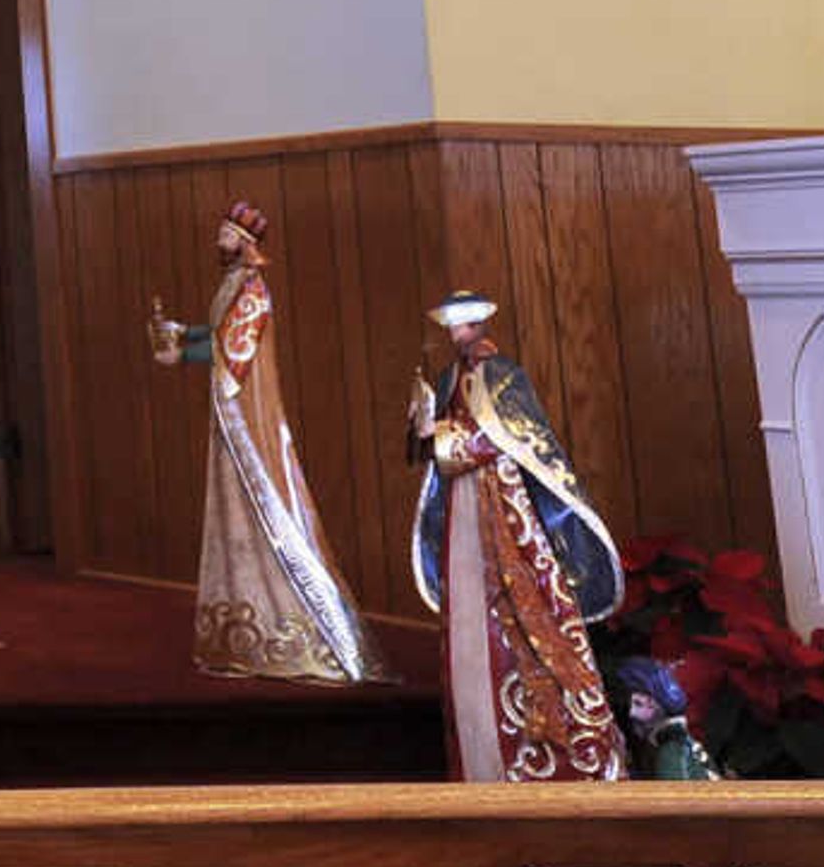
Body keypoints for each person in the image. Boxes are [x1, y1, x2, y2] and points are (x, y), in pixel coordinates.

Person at [147, 200, 380, 683]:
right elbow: (217, 333)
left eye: (226, 233)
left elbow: (235, 348)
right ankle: (242, 626)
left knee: (261, 498)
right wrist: (181, 332)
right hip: (227, 411)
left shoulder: (253, 288)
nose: (219, 240)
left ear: (245, 242)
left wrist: (181, 356)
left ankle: (289, 626)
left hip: (246, 415)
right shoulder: (234, 283)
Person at [412, 292, 627, 783]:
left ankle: (551, 754)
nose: (456, 335)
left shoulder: (505, 375)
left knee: (527, 615)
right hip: (464, 509)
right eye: (452, 327)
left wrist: (444, 437)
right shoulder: (448, 378)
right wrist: (423, 430)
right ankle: (481, 758)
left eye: (463, 326)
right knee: (470, 620)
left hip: (502, 511)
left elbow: (509, 436)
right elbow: (441, 440)